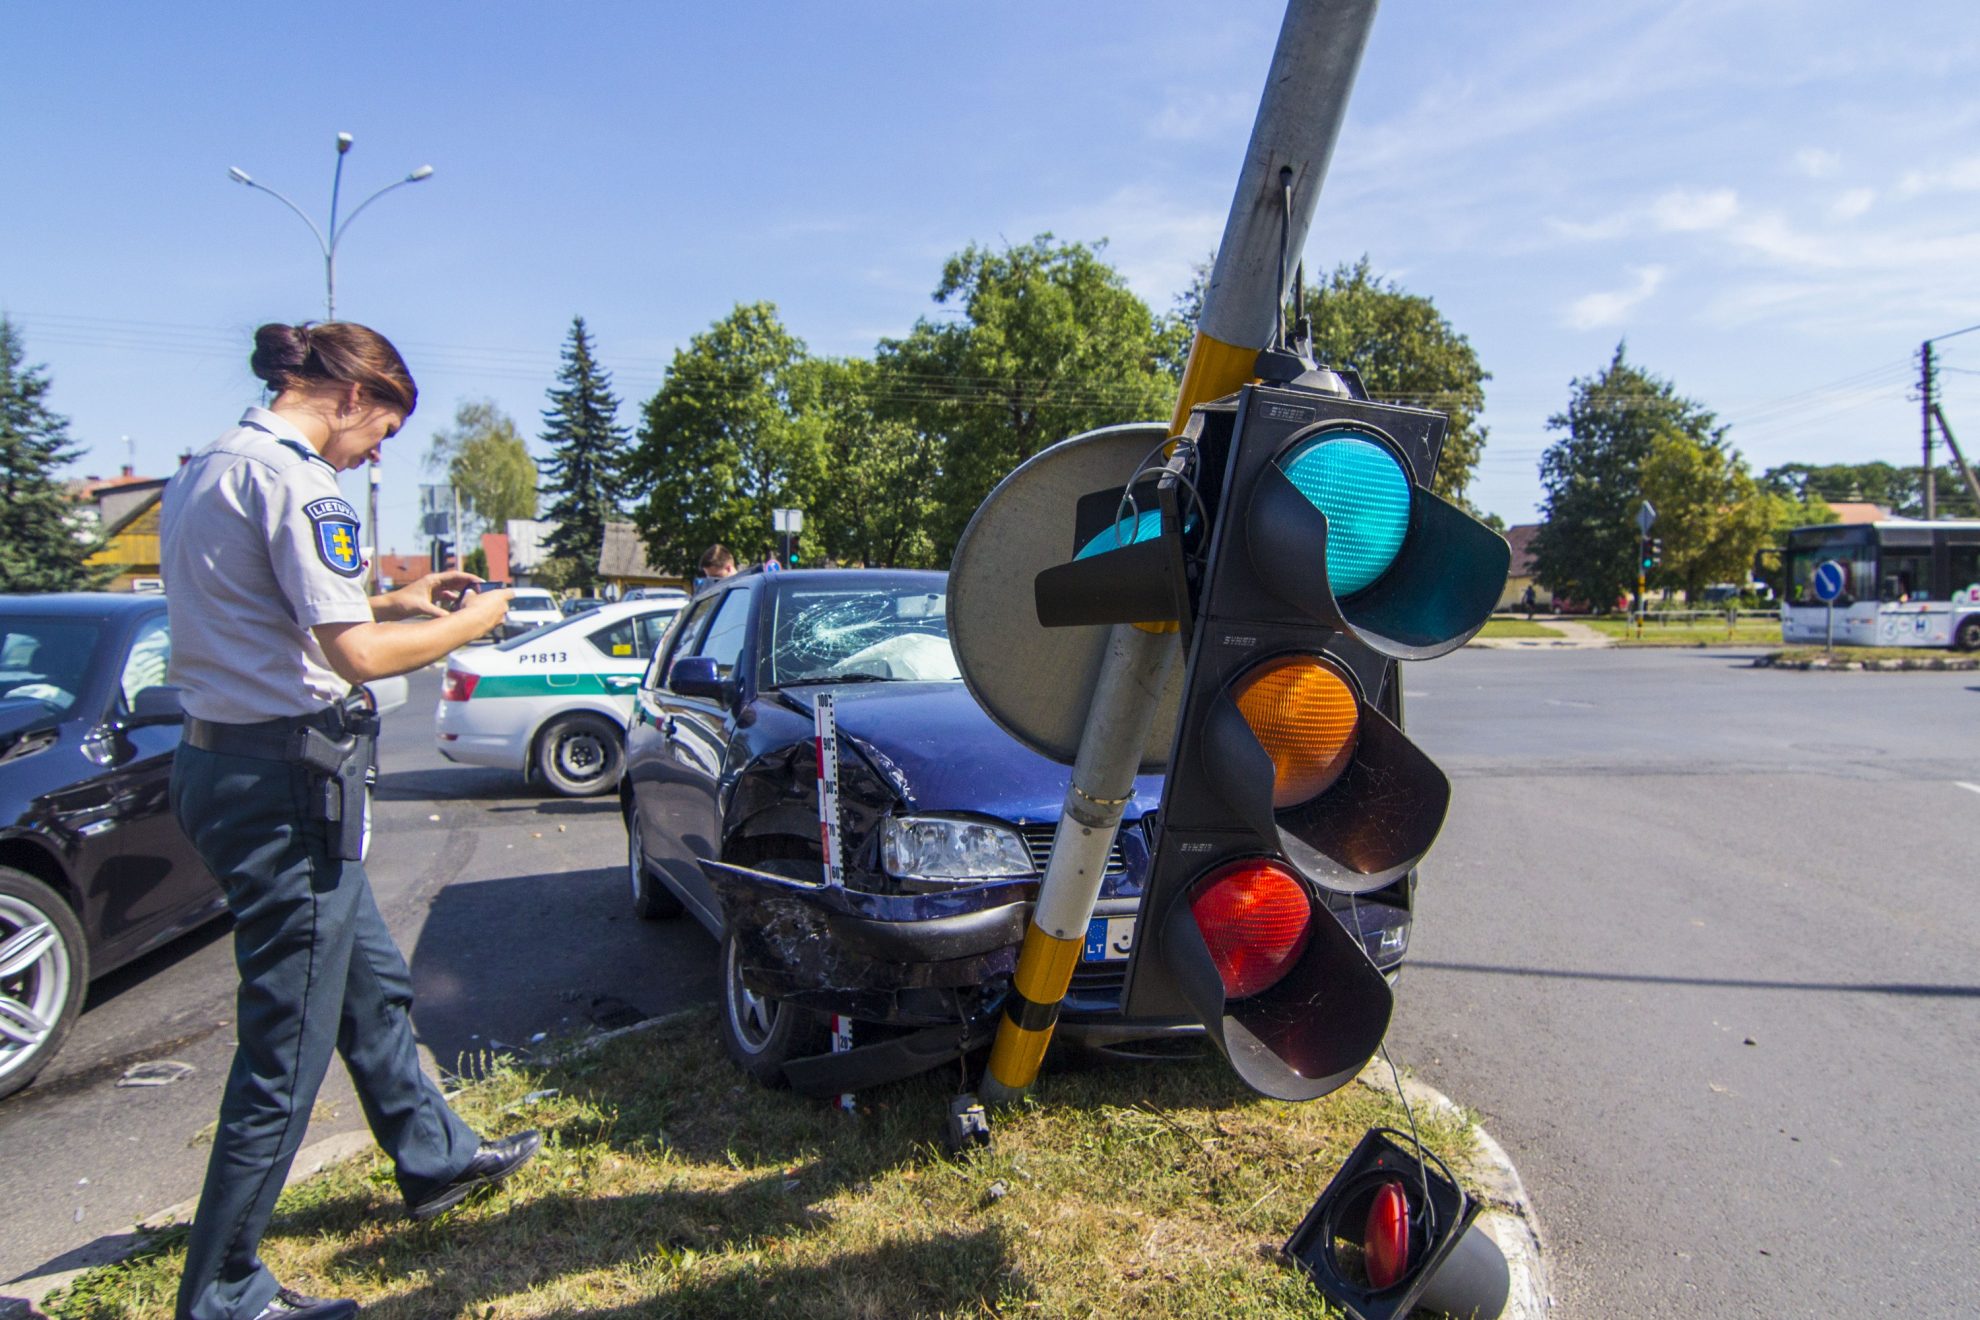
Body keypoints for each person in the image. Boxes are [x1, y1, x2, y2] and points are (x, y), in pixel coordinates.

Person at [161, 322, 541, 1320]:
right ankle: (225, 1290)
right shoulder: (299, 481)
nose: (378, 453)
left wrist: (400, 594)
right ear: (349, 395)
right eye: (383, 430)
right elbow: (357, 658)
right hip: (283, 783)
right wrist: (472, 623)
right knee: (285, 1045)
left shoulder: (211, 467)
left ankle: (436, 1158)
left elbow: (269, 601)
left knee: (369, 983)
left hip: (221, 763)